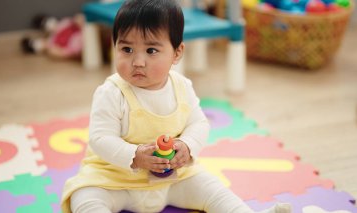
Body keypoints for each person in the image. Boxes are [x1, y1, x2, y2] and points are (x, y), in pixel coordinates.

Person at [61, 0, 291, 212]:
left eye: (151, 50)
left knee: (213, 189)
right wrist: (135, 155)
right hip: (114, 180)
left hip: (174, 180)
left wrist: (187, 145)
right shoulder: (111, 92)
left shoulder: (182, 86)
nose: (137, 61)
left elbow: (198, 123)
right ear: (115, 47)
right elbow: (100, 139)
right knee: (85, 195)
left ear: (177, 53)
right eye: (126, 49)